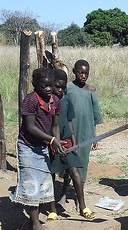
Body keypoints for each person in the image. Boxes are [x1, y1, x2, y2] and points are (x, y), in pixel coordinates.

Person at [10, 67, 65, 230]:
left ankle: (33, 222)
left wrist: (56, 142)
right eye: (44, 86)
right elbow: (30, 127)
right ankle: (35, 225)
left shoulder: (55, 100)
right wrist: (51, 140)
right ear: (35, 85)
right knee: (32, 184)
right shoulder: (30, 100)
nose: (48, 89)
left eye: (50, 85)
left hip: (43, 146)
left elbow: (55, 125)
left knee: (43, 184)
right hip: (28, 146)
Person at [49, 68, 95, 219]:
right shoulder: (47, 102)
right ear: (51, 85)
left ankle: (82, 206)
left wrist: (74, 142)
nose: (60, 90)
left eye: (63, 87)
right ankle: (52, 209)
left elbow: (69, 122)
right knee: (51, 175)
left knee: (75, 172)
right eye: (57, 87)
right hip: (52, 143)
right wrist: (54, 142)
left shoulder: (66, 100)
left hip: (67, 143)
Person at [65, 59, 104, 184]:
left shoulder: (91, 90)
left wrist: (94, 137)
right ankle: (64, 191)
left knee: (83, 161)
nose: (83, 76)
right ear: (74, 72)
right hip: (70, 130)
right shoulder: (68, 88)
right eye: (80, 72)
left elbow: (95, 115)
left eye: (86, 73)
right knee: (68, 161)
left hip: (86, 132)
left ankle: (79, 193)